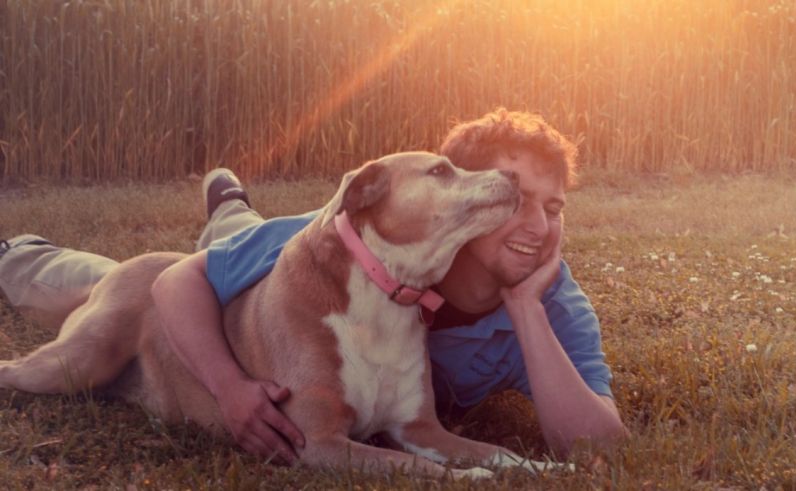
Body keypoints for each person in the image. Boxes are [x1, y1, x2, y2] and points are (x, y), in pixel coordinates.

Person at [0, 109, 626, 464]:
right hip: (187, 281)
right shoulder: (341, 235)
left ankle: (230, 207)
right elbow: (174, 283)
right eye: (511, 187)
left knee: (221, 244)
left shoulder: (548, 296)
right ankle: (17, 252)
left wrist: (524, 307)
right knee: (106, 286)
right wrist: (229, 388)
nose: (531, 219)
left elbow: (600, 446)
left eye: (554, 207)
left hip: (248, 279)